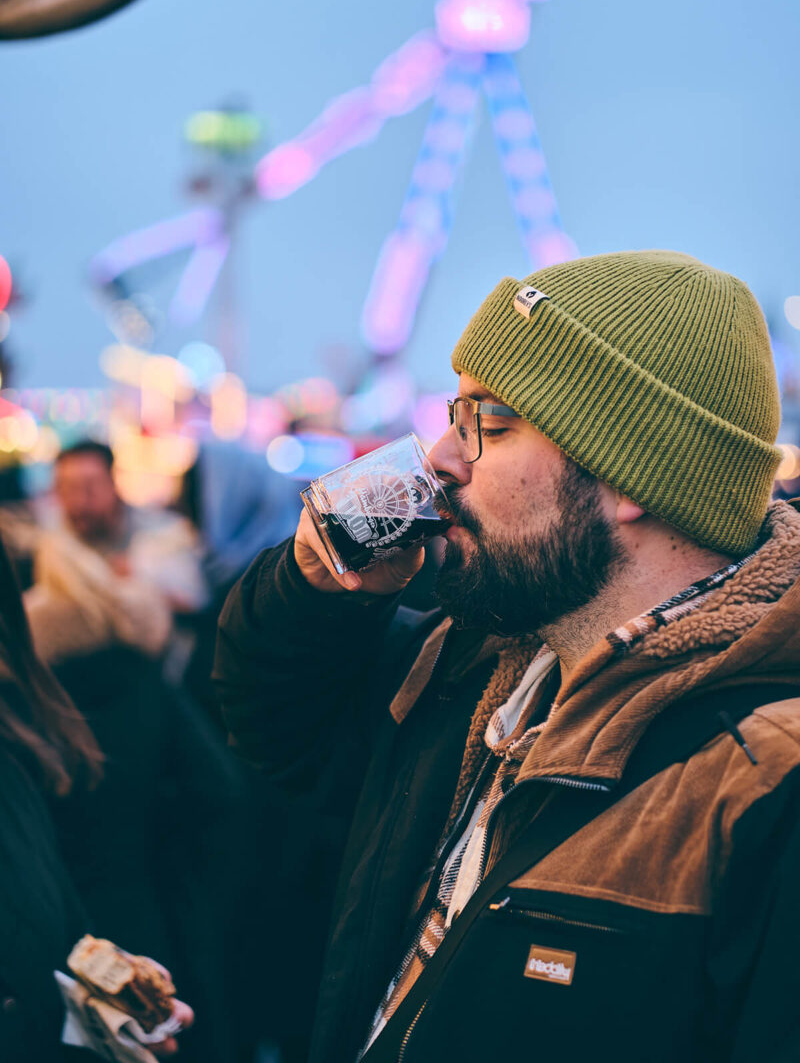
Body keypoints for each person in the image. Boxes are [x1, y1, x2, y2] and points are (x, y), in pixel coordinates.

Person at [214, 250, 800, 1063]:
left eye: (488, 425)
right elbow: (278, 738)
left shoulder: (764, 772)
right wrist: (317, 587)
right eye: (454, 421)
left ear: (631, 472)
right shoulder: (485, 661)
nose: (441, 463)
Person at [0, 531, 192, 1061]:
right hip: (138, 896)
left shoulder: (16, 744)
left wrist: (107, 1014)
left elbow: (48, 931)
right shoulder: (133, 676)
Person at [23, 440, 207, 670]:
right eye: (67, 489)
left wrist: (140, 578)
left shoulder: (163, 534)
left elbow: (193, 601)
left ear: (113, 483)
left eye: (89, 488)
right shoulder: (55, 543)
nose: (79, 501)